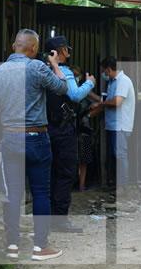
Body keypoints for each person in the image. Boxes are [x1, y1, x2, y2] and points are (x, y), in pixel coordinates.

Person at [0, 29, 71, 262]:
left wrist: (8, 122)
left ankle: (12, 246)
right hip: (37, 139)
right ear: (33, 49)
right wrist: (54, 64)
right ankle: (40, 247)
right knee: (41, 192)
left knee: (11, 195)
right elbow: (63, 89)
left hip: (10, 139)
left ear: (14, 46)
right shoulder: (37, 67)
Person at [44, 35, 96, 233]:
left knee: (49, 173)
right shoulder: (64, 71)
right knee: (65, 174)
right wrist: (90, 83)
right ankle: (60, 220)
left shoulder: (41, 69)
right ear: (60, 51)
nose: (69, 52)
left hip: (45, 128)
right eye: (66, 48)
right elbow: (75, 95)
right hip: (63, 130)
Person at [92, 57, 136, 188]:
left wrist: (101, 104)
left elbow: (117, 101)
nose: (103, 74)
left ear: (109, 69)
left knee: (120, 155)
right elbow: (105, 99)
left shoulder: (123, 81)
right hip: (114, 125)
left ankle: (124, 185)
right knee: (116, 155)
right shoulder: (112, 82)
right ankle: (119, 184)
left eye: (104, 71)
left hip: (120, 125)